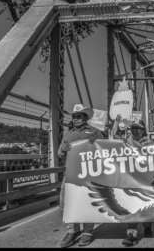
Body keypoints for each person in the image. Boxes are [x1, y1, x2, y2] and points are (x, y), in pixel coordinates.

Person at [57, 104, 103, 248]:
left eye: (79, 116)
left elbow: (104, 148)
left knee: (87, 201)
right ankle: (72, 231)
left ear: (85, 118)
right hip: (70, 173)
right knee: (67, 202)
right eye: (75, 116)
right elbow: (60, 153)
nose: (76, 119)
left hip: (88, 173)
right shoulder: (68, 134)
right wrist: (64, 149)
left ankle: (87, 232)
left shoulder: (95, 132)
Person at [109, 115, 153, 247]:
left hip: (146, 180)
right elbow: (112, 137)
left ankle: (147, 227)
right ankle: (131, 234)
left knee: (146, 206)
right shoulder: (126, 141)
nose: (136, 131)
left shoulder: (151, 142)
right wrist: (116, 122)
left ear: (143, 130)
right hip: (131, 180)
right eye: (133, 128)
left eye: (138, 128)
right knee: (131, 206)